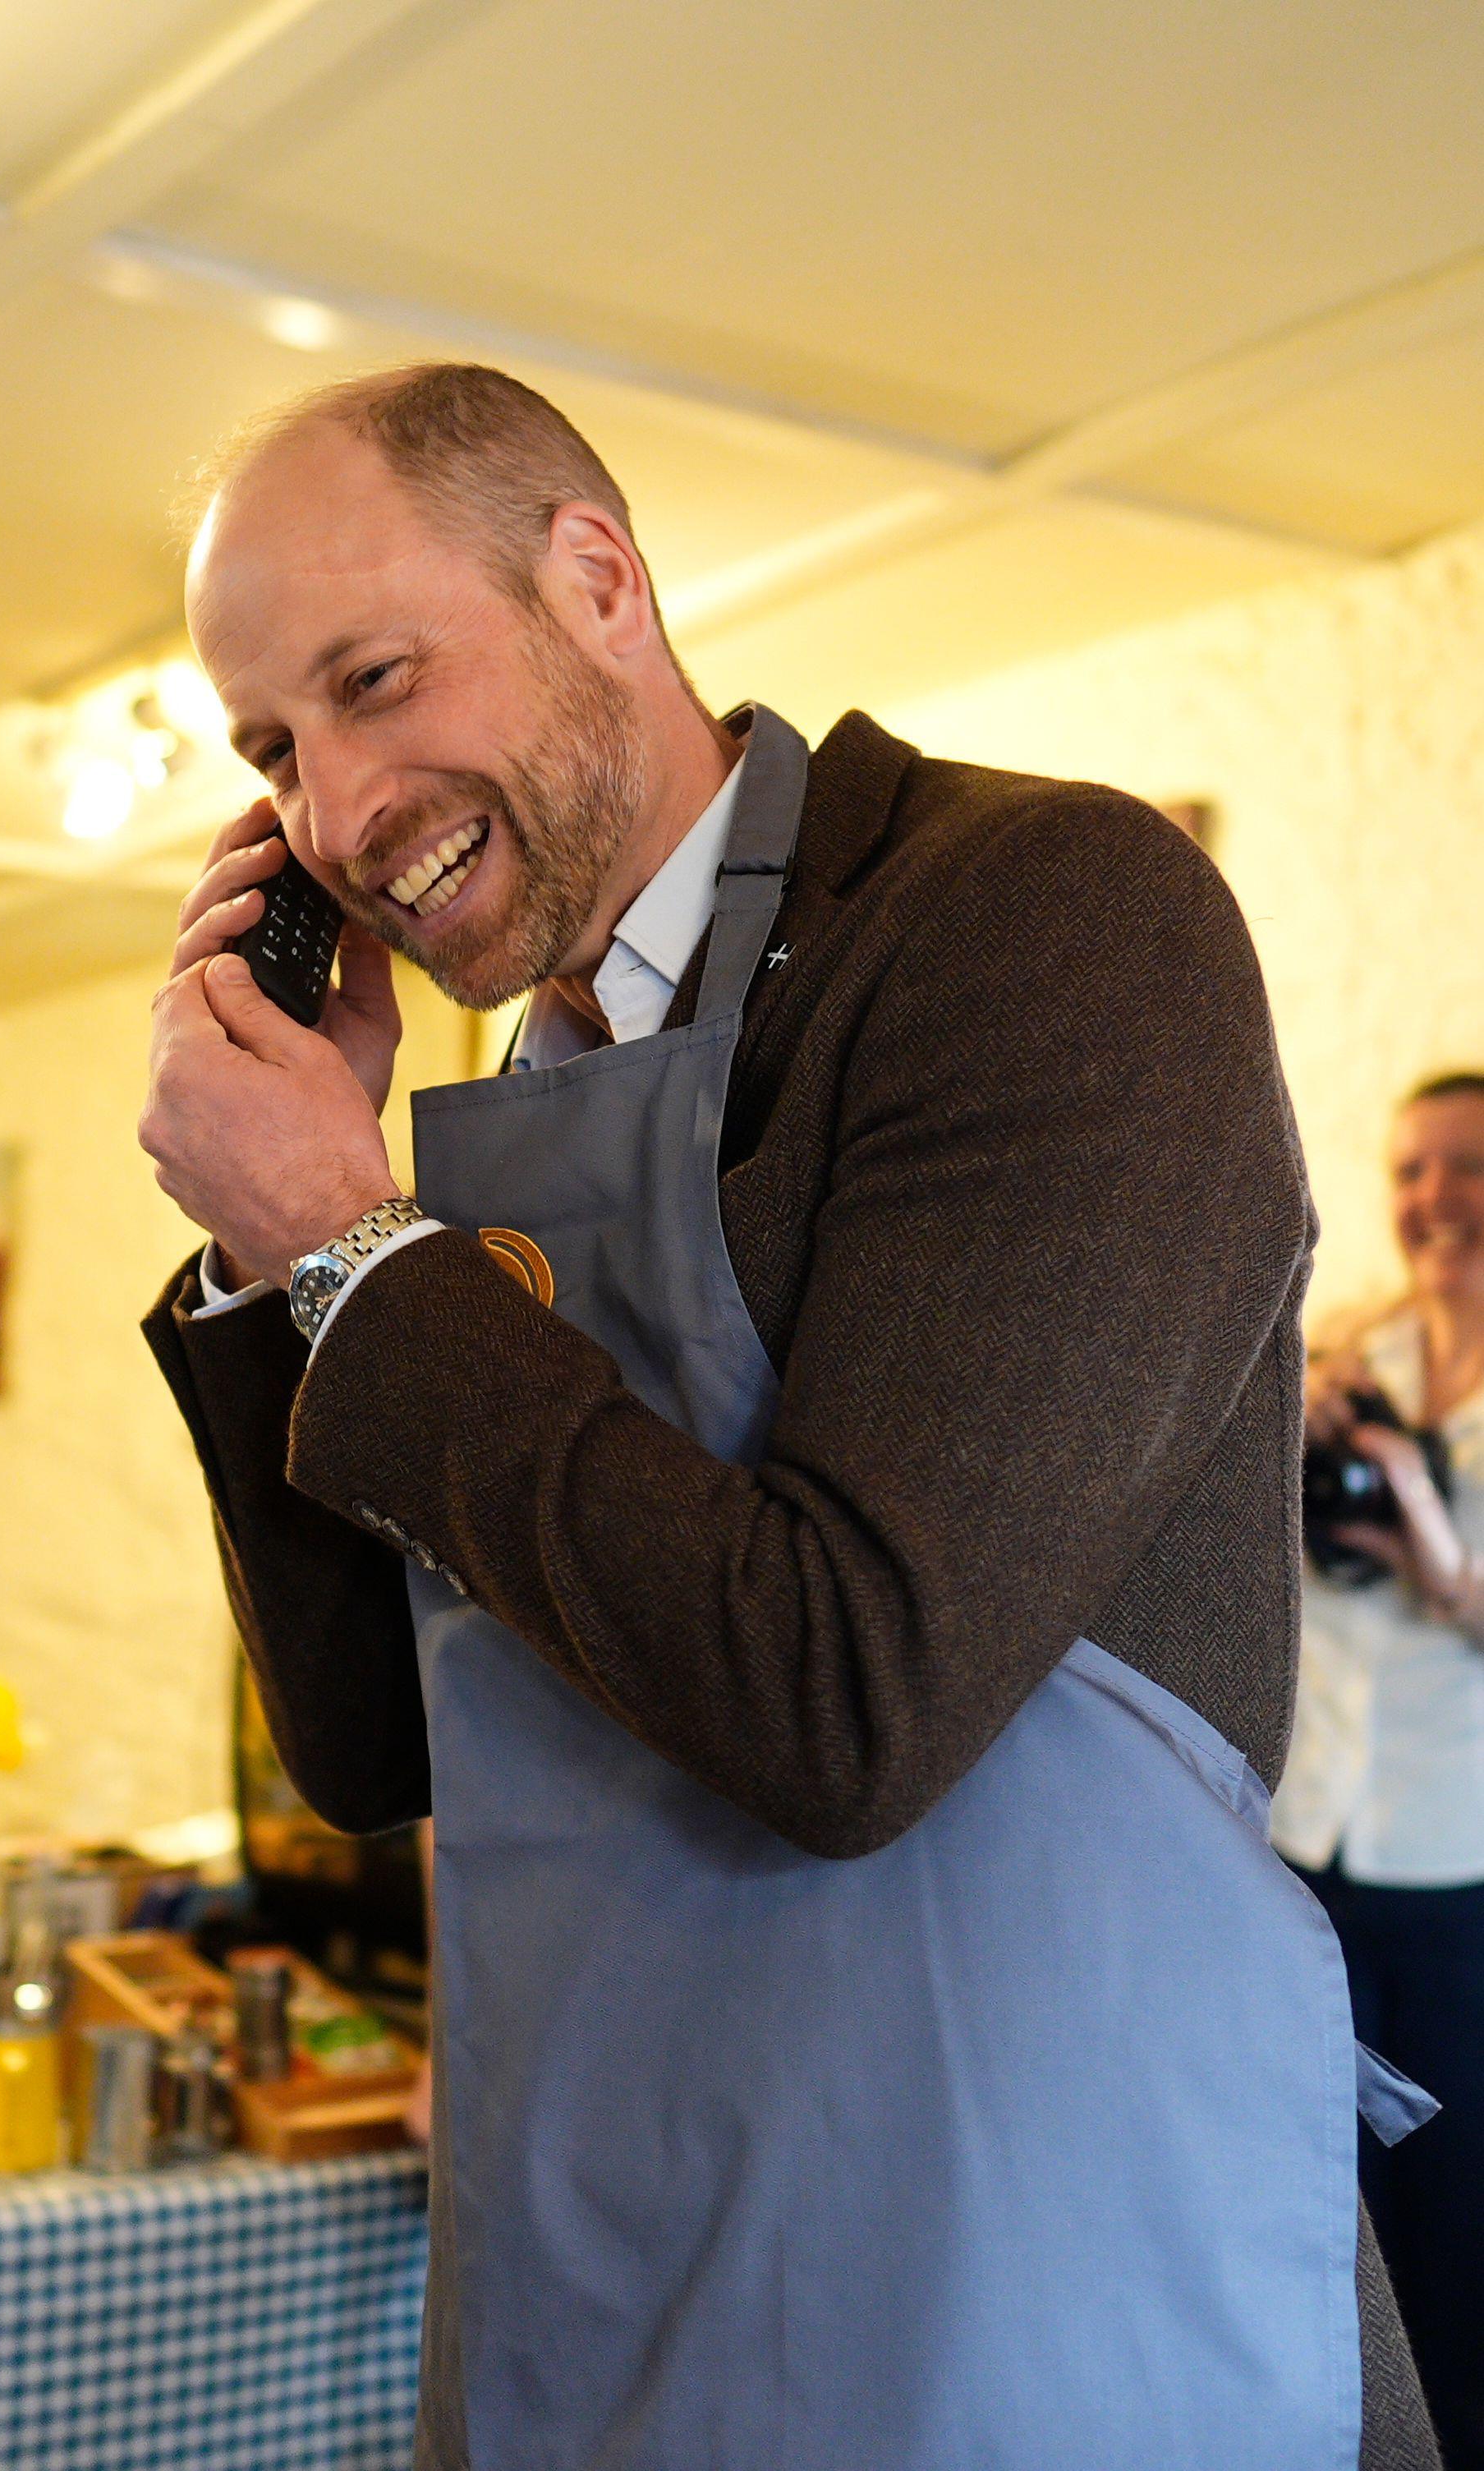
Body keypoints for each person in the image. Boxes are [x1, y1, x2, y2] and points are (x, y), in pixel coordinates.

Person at [139, 361, 1436, 2470]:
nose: (337, 811)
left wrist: (355, 1253)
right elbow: (378, 1747)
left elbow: (850, 1698)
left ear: (598, 579)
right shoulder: (488, 1130)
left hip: (1028, 2267)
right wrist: (284, 1246)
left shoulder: (1039, 914)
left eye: (376, 679)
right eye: (275, 749)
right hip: (625, 2232)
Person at [1275, 1071, 1484, 2469]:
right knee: (1315, 2199)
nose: (1432, 1201)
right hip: (1310, 1846)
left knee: (1451, 2216)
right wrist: (1299, 1406)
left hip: (1450, 1859)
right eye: (1412, 1172)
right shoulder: (1360, 1354)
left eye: (1464, 1169)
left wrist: (1429, 1539)